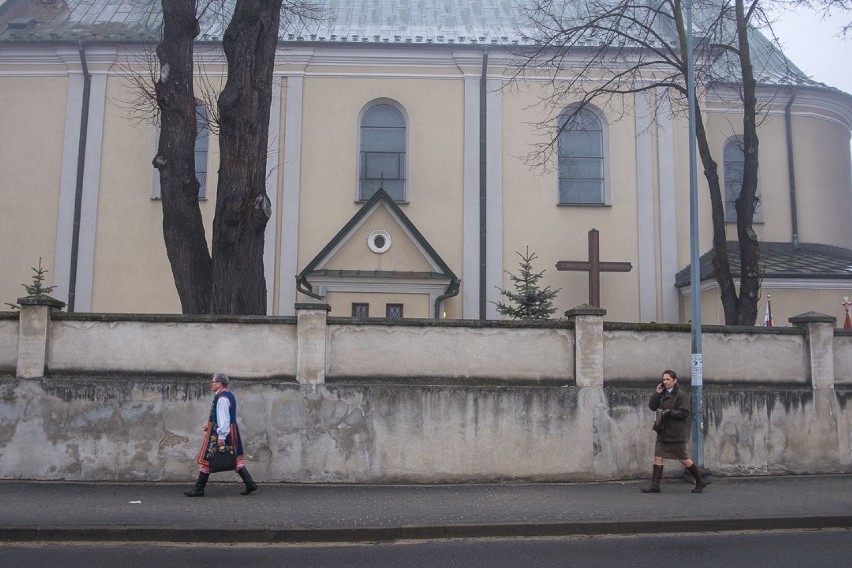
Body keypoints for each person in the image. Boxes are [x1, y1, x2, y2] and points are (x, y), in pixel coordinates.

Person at [184, 372, 258, 497]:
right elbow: (221, 416)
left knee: (207, 458)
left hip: (221, 432)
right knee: (234, 458)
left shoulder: (222, 398)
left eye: (213, 382)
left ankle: (199, 489)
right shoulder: (227, 395)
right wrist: (210, 423)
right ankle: (250, 484)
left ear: (219, 383)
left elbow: (224, 418)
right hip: (229, 430)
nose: (211, 384)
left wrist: (221, 437)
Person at [640, 369, 707, 494]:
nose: (665, 382)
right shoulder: (662, 392)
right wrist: (657, 393)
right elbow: (652, 407)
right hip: (663, 431)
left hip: (675, 433)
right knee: (658, 457)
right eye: (664, 379)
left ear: (675, 381)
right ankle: (655, 486)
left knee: (683, 458)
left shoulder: (680, 395)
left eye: (668, 379)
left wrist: (670, 412)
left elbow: (685, 412)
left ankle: (700, 481)